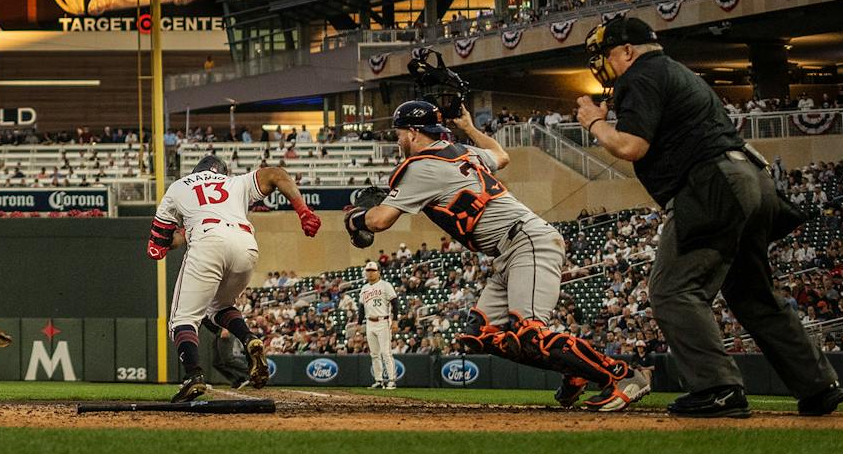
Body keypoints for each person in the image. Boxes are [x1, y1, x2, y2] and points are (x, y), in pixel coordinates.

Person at [572, 15, 843, 418]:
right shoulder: (680, 72)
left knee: (672, 289)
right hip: (752, 180)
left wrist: (595, 122)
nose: (607, 64)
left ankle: (717, 389)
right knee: (752, 294)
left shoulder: (642, 74)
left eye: (609, 54)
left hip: (714, 186)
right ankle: (818, 386)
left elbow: (631, 146)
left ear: (627, 50)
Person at [350, 101, 650, 411]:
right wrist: (469, 128)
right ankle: (575, 369)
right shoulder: (463, 152)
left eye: (399, 134)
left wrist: (353, 219)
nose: (398, 141)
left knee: (531, 333)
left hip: (527, 241)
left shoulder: (421, 166)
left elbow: (379, 221)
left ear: (413, 133)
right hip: (511, 249)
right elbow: (502, 156)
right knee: (478, 334)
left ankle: (622, 376)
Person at [149, 154, 322, 403]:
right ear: (222, 171)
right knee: (219, 307)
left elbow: (162, 234)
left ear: (197, 171)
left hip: (207, 240)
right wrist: (303, 211)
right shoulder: (235, 183)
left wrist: (158, 244)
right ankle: (248, 338)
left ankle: (193, 376)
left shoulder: (180, 186)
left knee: (181, 319)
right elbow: (277, 174)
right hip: (245, 245)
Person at [356, 262, 398, 389]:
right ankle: (379, 380)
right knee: (374, 354)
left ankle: (391, 380)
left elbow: (395, 302)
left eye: (373, 270)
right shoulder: (364, 288)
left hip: (383, 321)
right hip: (369, 322)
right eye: (368, 270)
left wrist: (395, 320)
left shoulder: (386, 285)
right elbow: (361, 307)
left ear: (379, 272)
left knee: (386, 352)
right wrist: (359, 323)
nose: (370, 272)